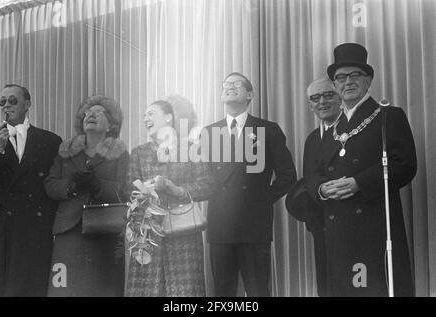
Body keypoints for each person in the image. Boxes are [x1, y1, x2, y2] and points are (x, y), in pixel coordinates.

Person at [305, 43, 417, 296]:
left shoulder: (389, 116)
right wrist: (322, 188)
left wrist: (360, 182)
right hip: (338, 230)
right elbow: (312, 176)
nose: (348, 82)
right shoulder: (332, 127)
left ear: (368, 80)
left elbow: (406, 165)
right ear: (335, 85)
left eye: (355, 75)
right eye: (341, 78)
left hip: (375, 227)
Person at [203, 72, 297, 297]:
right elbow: (204, 179)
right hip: (220, 224)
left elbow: (287, 176)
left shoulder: (268, 129)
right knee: (223, 292)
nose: (229, 87)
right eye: (226, 84)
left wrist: (261, 199)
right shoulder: (209, 132)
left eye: (237, 84)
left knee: (258, 291)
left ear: (250, 94)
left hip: (254, 225)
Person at [125, 97, 214, 297]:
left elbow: (207, 185)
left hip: (183, 233)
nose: (146, 118)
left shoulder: (191, 148)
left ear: (168, 118)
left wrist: (175, 189)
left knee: (184, 293)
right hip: (148, 235)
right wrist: (143, 190)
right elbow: (127, 187)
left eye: (151, 113)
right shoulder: (139, 152)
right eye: (144, 115)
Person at [44, 95, 129, 296]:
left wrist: (98, 186)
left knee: (103, 289)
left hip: (106, 232)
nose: (91, 115)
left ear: (111, 125)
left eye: (99, 112)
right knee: (63, 289)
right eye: (88, 113)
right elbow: (49, 184)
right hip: (69, 232)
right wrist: (71, 186)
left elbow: (126, 189)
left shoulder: (120, 154)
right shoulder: (65, 152)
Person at [0, 84, 62, 296]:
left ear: (27, 104)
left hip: (34, 231)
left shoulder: (51, 141)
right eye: (2, 102)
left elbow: (53, 186)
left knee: (30, 287)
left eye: (13, 100)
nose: (7, 106)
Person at [286, 77, 342, 297]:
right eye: (315, 98)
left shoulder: (355, 131)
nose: (322, 102)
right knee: (326, 285)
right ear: (310, 105)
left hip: (353, 222)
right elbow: (309, 180)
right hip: (322, 225)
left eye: (328, 95)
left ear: (339, 97)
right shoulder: (311, 139)